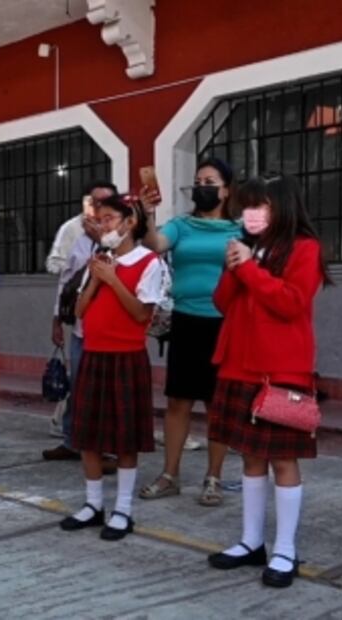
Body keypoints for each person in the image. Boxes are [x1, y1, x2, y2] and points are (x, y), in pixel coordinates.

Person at [205, 175, 330, 589]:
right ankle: (251, 541)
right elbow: (222, 301)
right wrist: (235, 267)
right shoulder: (250, 248)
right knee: (250, 457)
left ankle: (285, 549)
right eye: (248, 206)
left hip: (281, 371)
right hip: (238, 366)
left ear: (283, 207)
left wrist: (251, 268)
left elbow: (291, 302)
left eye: (260, 205)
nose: (251, 213)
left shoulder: (304, 248)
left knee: (282, 460)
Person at [58, 195, 165, 541]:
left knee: (124, 439)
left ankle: (122, 508)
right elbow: (80, 311)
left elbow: (140, 314)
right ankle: (92, 504)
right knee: (88, 435)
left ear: (129, 222)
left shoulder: (148, 262)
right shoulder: (98, 260)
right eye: (99, 220)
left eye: (108, 219)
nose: (103, 226)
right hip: (93, 354)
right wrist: (96, 277)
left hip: (126, 357)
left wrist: (114, 279)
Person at [137, 158, 243, 506]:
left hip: (224, 325)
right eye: (198, 180)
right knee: (178, 401)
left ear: (226, 189)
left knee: (217, 405)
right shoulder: (181, 225)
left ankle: (213, 478)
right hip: (185, 321)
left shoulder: (239, 230)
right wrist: (148, 213)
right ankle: (170, 475)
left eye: (210, 181)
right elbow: (155, 244)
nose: (202, 186)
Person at [43, 181, 115, 464]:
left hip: (110, 329)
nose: (98, 209)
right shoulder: (73, 232)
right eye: (94, 203)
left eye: (105, 204)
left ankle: (107, 447)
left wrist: (101, 239)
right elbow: (64, 280)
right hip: (82, 327)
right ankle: (72, 440)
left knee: (105, 390)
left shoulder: (121, 235)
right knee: (79, 385)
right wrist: (56, 320)